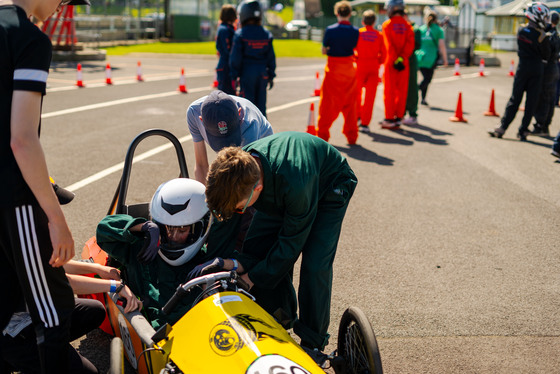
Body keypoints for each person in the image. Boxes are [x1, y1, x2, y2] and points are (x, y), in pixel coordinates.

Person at [201, 131, 358, 352]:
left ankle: (313, 343)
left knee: (314, 265)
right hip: (284, 185)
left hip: (330, 185)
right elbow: (224, 220)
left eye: (240, 209)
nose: (237, 212)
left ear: (257, 189)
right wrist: (210, 266)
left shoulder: (296, 186)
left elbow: (290, 246)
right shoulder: (237, 168)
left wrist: (250, 278)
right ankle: (276, 316)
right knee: (255, 248)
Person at [0, 0, 89, 373]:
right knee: (52, 307)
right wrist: (55, 217)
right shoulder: (29, 38)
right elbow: (21, 138)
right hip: (12, 196)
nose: (61, 7)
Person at [96, 178, 238, 329]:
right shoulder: (141, 247)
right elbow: (103, 230)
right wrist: (143, 227)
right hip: (155, 338)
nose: (173, 236)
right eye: (168, 228)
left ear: (200, 228)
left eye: (182, 230)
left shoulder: (205, 263)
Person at [1, 260, 141, 374]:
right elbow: (58, 282)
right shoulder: (13, 234)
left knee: (94, 311)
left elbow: (50, 262)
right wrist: (116, 286)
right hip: (14, 331)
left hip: (34, 311)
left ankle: (46, 359)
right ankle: (22, 361)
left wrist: (97, 268)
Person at [488, 2, 551, 141]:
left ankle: (502, 127)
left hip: (522, 68)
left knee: (514, 99)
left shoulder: (521, 31)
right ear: (537, 17)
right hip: (537, 70)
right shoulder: (543, 36)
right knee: (531, 102)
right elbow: (546, 55)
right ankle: (523, 131)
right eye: (545, 17)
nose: (546, 20)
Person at [186, 90, 273, 185]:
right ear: (201, 120)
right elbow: (201, 164)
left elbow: (247, 175)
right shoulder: (193, 113)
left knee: (252, 180)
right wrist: (205, 196)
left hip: (261, 142)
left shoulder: (250, 124)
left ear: (239, 114)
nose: (225, 145)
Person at [316, 0, 360, 144]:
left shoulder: (330, 30)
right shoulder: (355, 31)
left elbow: (324, 50)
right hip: (349, 69)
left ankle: (322, 135)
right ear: (349, 13)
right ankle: (352, 135)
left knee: (328, 105)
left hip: (333, 70)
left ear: (337, 13)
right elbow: (355, 48)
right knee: (351, 105)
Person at [230, 0, 276, 117]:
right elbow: (271, 57)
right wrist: (271, 75)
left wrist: (234, 75)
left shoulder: (240, 34)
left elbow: (236, 58)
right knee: (261, 107)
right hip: (262, 73)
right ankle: (264, 133)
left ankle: (248, 134)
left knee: (247, 106)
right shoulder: (266, 34)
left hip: (247, 73)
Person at [380, 0, 415, 129]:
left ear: (392, 9)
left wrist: (395, 59)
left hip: (391, 63)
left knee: (389, 91)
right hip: (403, 63)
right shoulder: (408, 26)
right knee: (401, 91)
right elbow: (410, 46)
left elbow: (389, 46)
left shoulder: (387, 25)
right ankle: (399, 117)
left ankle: (389, 118)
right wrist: (401, 58)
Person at [354, 9, 386, 134]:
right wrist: (377, 62)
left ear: (363, 21)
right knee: (370, 97)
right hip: (373, 66)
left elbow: (352, 50)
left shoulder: (359, 33)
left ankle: (357, 117)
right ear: (374, 22)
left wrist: (357, 59)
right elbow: (384, 54)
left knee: (357, 94)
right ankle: (365, 123)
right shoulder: (379, 35)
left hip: (360, 65)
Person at [532, 10, 560, 137]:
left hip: (548, 68)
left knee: (544, 97)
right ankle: (545, 126)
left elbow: (545, 53)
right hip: (555, 68)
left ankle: (540, 126)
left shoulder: (549, 35)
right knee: (550, 98)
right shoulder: (556, 34)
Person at [416, 10, 448, 107]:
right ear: (436, 19)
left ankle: (423, 99)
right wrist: (445, 59)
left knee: (425, 78)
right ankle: (416, 89)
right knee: (427, 79)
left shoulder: (421, 29)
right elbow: (442, 46)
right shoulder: (438, 30)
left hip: (420, 57)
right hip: (431, 58)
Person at [402, 12, 422, 126]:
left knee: (411, 87)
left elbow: (417, 45)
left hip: (410, 60)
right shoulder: (401, 28)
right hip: (401, 59)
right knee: (400, 87)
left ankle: (413, 114)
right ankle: (401, 113)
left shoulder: (415, 29)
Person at [215, 4, 237, 95]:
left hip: (224, 65)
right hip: (226, 67)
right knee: (226, 95)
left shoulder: (224, 28)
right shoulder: (225, 30)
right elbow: (228, 50)